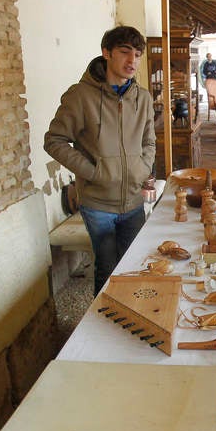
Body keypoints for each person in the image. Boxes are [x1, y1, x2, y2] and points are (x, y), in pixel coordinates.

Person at [44, 25, 155, 295]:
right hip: (98, 204)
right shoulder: (80, 96)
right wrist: (93, 172)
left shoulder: (142, 98)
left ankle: (130, 316)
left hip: (133, 201)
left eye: (137, 54)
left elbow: (149, 142)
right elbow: (54, 140)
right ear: (106, 53)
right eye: (124, 52)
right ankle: (104, 319)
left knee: (134, 266)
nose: (132, 61)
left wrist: (142, 169)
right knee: (107, 269)